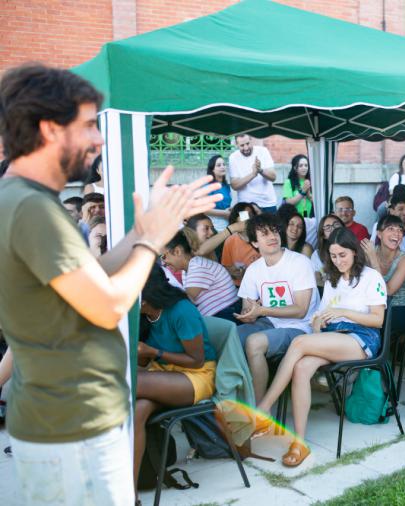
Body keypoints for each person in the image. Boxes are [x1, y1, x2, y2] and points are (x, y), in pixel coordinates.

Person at [0, 63, 220, 506]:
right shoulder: (32, 210)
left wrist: (141, 231)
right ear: (49, 129)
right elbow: (107, 305)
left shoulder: (19, 199)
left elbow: (92, 276)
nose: (99, 140)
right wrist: (155, 242)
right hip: (70, 429)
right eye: (87, 127)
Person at [252, 228, 387, 467]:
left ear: (355, 252)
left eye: (342, 255)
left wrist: (343, 312)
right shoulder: (333, 279)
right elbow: (320, 315)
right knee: (302, 367)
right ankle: (300, 443)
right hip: (332, 336)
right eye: (333, 256)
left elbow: (378, 320)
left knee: (298, 342)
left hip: (361, 338)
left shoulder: (370, 276)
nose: (338, 261)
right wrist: (317, 324)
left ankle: (264, 408)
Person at [135, 265, 217, 487]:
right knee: (136, 411)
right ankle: (130, 493)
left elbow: (196, 359)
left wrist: (154, 352)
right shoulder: (141, 315)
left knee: (128, 382)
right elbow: (143, 360)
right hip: (162, 374)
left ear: (144, 297)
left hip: (196, 375)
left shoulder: (181, 310)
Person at [234, 213, 319, 403]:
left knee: (254, 342)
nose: (272, 237)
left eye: (274, 231)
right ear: (255, 243)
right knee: (229, 338)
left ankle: (259, 410)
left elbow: (301, 310)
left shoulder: (299, 262)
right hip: (270, 323)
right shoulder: (254, 269)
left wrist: (262, 311)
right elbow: (248, 308)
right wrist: (248, 315)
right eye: (264, 234)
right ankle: (228, 401)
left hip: (301, 328)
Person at [362, 215, 405, 353]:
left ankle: (374, 362)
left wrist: (373, 260)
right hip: (377, 305)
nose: (397, 233)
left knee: (374, 320)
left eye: (400, 229)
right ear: (379, 234)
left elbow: (388, 291)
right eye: (390, 229)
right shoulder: (369, 252)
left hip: (402, 306)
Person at [162, 229, 241, 322]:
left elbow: (185, 302)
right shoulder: (189, 269)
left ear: (177, 251)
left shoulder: (197, 267)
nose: (163, 263)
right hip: (222, 315)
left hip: (228, 314)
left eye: (164, 256)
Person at [228, 134, 277, 213]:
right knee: (245, 226)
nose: (246, 148)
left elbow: (273, 177)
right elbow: (234, 185)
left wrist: (260, 170)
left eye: (247, 144)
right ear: (236, 144)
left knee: (272, 226)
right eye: (242, 145)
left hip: (267, 204)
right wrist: (253, 175)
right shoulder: (233, 157)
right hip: (245, 206)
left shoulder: (263, 151)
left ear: (251, 140)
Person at [312, 213, 344, 285]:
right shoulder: (317, 255)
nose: (333, 228)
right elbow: (318, 282)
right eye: (328, 227)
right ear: (323, 235)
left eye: (336, 224)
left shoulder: (353, 249)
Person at [205, 154, 232, 231]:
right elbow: (205, 210)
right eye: (219, 165)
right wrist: (224, 213)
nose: (222, 167)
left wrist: (229, 210)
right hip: (215, 223)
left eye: (224, 164)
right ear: (212, 169)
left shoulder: (226, 186)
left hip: (227, 222)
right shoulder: (208, 186)